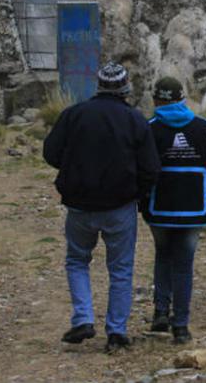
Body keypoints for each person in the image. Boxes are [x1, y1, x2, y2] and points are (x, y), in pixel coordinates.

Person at [43, 62, 160, 354]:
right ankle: (117, 331)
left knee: (77, 260)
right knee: (120, 269)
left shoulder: (74, 115)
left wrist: (73, 169)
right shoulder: (135, 120)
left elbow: (51, 153)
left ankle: (83, 317)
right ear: (125, 88)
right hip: (120, 207)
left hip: (79, 206)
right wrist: (138, 193)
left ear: (98, 86)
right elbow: (151, 168)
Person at [141, 76, 206, 344]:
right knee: (184, 266)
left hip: (160, 209)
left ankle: (160, 314)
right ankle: (181, 326)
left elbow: (143, 170)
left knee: (163, 257)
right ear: (182, 99)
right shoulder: (204, 128)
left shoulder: (149, 128)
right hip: (194, 209)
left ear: (156, 100)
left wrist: (140, 202)